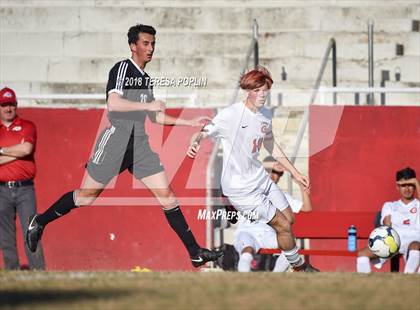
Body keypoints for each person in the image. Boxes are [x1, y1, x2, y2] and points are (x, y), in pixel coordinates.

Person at [26, 24, 222, 268]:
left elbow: (156, 117)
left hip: (139, 144)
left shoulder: (145, 79)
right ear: (133, 46)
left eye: (153, 44)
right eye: (145, 43)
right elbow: (114, 104)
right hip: (116, 140)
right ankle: (40, 222)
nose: (150, 48)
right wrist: (147, 106)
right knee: (86, 197)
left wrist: (188, 122)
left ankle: (195, 253)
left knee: (168, 197)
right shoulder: (122, 68)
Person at [187, 66, 318, 272]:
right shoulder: (231, 115)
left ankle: (288, 257)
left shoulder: (265, 114)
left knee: (289, 220)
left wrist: (295, 173)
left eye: (265, 89)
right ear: (247, 90)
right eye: (257, 90)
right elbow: (203, 132)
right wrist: (195, 142)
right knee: (283, 225)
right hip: (240, 189)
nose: (262, 94)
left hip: (260, 179)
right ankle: (300, 266)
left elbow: (271, 145)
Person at [233, 156, 312, 272]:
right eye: (270, 170)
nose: (273, 175)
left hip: (268, 235)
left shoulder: (282, 196)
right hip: (247, 232)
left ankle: (275, 279)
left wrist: (301, 185)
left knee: (291, 247)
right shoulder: (250, 187)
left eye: (277, 172)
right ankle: (243, 285)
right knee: (247, 252)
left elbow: (307, 208)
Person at [0, 87, 45, 270]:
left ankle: (38, 272)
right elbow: (22, 150)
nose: (8, 109)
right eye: (4, 105)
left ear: (16, 106)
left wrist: (2, 151)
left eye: (11, 105)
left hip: (25, 188)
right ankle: (12, 272)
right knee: (5, 234)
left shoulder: (27, 125)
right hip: (2, 189)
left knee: (31, 230)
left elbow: (27, 149)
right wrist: (16, 151)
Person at [357, 167, 419, 273]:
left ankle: (408, 278)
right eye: (403, 185)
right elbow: (387, 226)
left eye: (410, 185)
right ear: (397, 187)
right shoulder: (390, 206)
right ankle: (364, 284)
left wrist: (416, 182)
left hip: (415, 241)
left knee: (415, 245)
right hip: (394, 241)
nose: (407, 189)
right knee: (362, 254)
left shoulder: (418, 204)